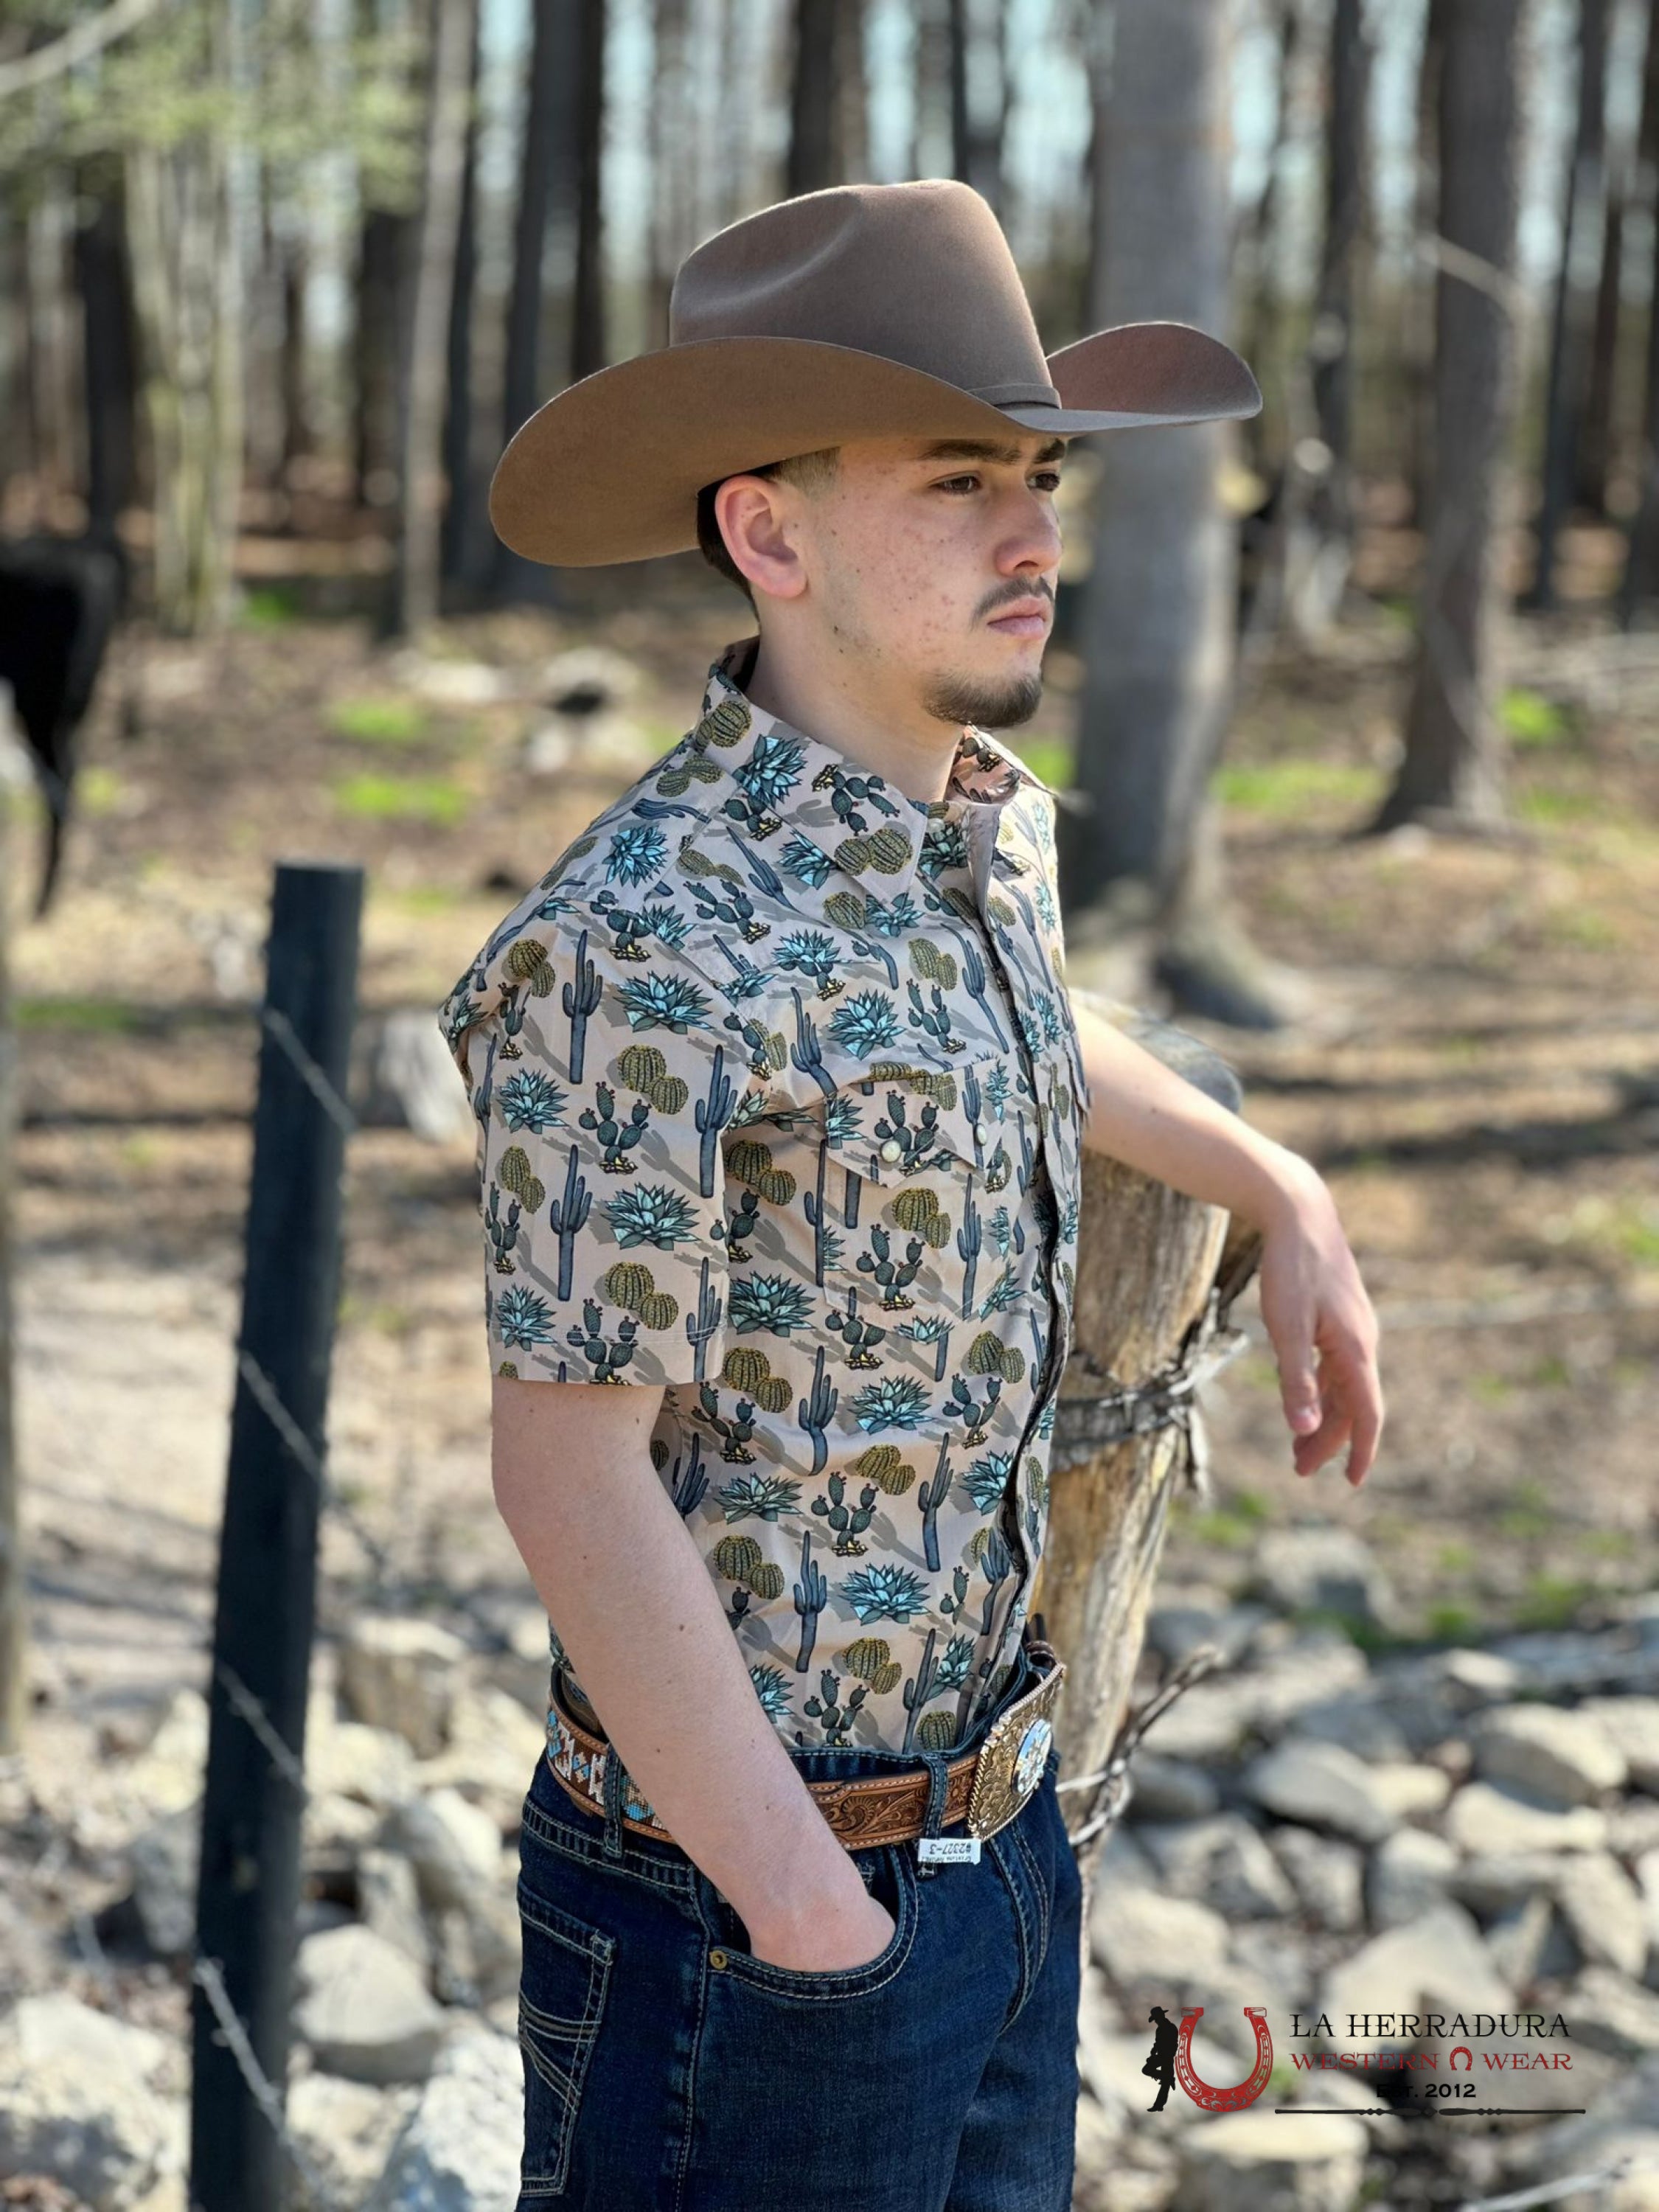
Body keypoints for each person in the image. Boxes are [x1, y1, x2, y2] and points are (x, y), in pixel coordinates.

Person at [439, 178, 1384, 2212]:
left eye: (1040, 480)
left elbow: (1016, 1027)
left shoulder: (967, 830)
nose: (1034, 537)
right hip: (744, 1916)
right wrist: (809, 1918)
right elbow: (565, 1469)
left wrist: (1270, 1177)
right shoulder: (636, 945)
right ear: (768, 535)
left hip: (996, 1855)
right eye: (959, 482)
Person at [1144, 2006, 1181, 2112]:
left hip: (1167, 2057)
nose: (1156, 2021)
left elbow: (1174, 2045)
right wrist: (1153, 2053)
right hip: (1162, 2056)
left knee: (1164, 2084)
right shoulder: (1160, 2029)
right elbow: (1158, 2043)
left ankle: (1158, 2105)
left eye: (1156, 2019)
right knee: (1152, 2072)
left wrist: (1167, 2056)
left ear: (1161, 2017)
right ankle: (1168, 2078)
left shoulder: (1170, 2028)